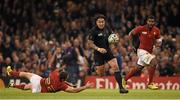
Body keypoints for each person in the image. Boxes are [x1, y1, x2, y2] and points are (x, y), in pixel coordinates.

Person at [88, 14, 128, 93]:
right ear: (96, 22)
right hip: (98, 53)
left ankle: (121, 88)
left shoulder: (107, 28)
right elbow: (90, 43)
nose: (101, 23)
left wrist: (116, 42)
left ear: (104, 22)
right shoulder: (93, 31)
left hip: (107, 52)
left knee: (116, 67)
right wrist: (98, 49)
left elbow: (112, 38)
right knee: (101, 75)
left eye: (102, 22)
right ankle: (94, 68)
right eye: (99, 22)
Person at [124, 16, 162, 90]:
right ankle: (150, 83)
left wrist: (158, 44)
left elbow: (158, 40)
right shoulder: (141, 28)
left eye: (152, 21)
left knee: (138, 68)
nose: (151, 23)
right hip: (141, 51)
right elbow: (130, 34)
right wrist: (131, 45)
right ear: (147, 22)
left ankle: (124, 79)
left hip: (149, 52)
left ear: (154, 22)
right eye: (149, 21)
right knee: (153, 62)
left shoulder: (156, 30)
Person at [6, 66, 93, 93]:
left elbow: (59, 76)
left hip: (40, 81)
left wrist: (68, 83)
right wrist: (85, 86)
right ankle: (13, 85)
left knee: (26, 74)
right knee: (28, 87)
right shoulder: (62, 85)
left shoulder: (55, 74)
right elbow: (74, 90)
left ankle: (11, 73)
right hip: (39, 90)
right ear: (63, 79)